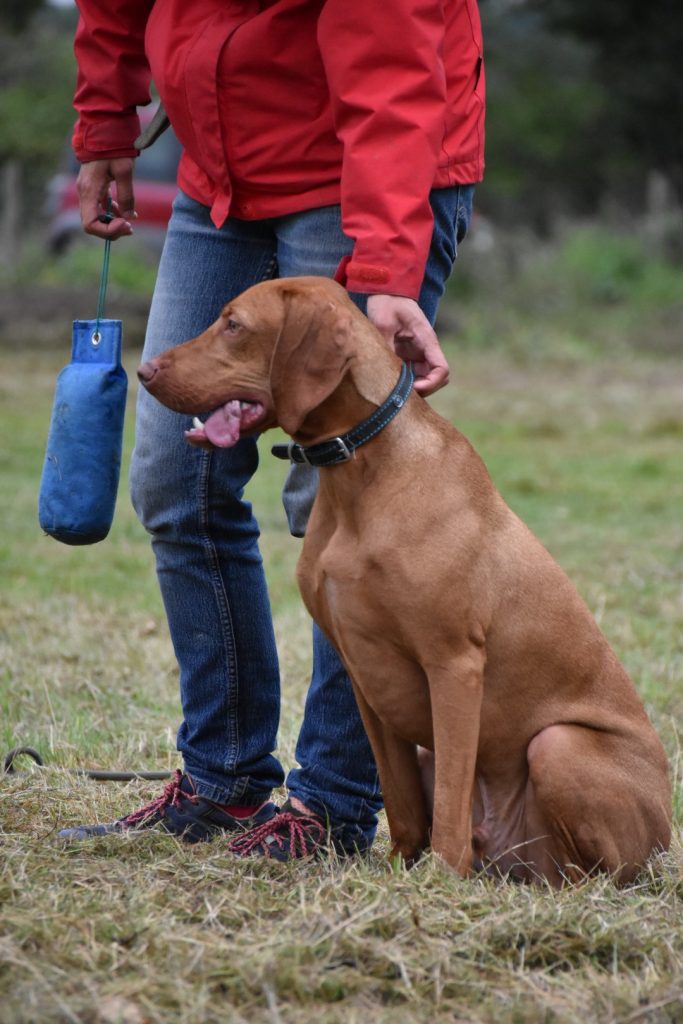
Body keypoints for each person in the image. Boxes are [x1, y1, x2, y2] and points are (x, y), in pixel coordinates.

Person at [58, 0, 485, 860]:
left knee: (339, 499)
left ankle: (332, 803)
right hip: (219, 178)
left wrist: (387, 261)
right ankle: (223, 780)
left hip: (366, 171)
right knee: (174, 481)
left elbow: (391, 60)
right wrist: (106, 117)